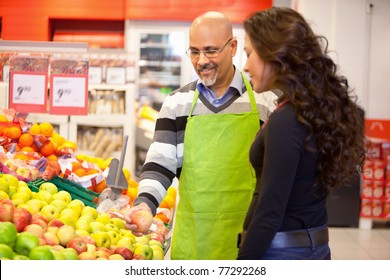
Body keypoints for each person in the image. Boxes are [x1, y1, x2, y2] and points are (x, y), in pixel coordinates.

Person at [122, 11, 278, 260]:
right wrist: (145, 204)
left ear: (233, 47)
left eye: (211, 50)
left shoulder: (265, 103)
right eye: (194, 51)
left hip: (248, 241)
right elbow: (160, 163)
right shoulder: (176, 104)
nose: (201, 60)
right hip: (194, 243)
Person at [236, 7, 366, 260]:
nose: (246, 65)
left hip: (282, 252)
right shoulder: (311, 110)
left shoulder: (287, 120)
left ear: (274, 54)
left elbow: (270, 211)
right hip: (312, 242)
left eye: (249, 53)